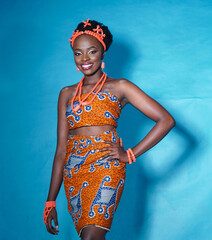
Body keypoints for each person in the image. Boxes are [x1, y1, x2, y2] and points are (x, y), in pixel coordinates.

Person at [43, 19, 176, 240]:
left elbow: (165, 120)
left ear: (102, 52)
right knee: (89, 235)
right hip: (74, 171)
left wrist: (129, 154)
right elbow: (60, 150)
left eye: (91, 51)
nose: (85, 59)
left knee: (91, 237)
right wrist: (50, 201)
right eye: (78, 53)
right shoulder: (66, 93)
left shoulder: (119, 87)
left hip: (106, 166)